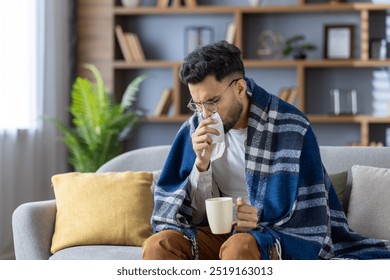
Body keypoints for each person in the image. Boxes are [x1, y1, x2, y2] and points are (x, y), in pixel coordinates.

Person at [142, 40, 390, 260]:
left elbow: (308, 218)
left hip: (271, 236)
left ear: (239, 88)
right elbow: (190, 214)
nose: (205, 113)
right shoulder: (194, 128)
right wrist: (201, 165)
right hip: (217, 232)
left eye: (212, 102)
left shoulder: (291, 126)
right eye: (196, 104)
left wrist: (258, 219)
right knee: (159, 245)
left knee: (239, 248)